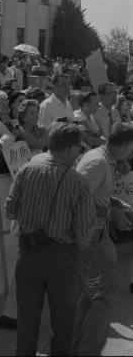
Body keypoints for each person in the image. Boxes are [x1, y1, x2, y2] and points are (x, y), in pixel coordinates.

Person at [5, 122, 96, 356]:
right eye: (80, 147)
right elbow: (84, 234)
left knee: (27, 319)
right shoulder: (78, 182)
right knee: (63, 322)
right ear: (68, 148)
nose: (80, 152)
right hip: (62, 257)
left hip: (28, 250)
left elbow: (11, 210)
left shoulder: (27, 170)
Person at [73, 123, 133, 355]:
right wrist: (112, 212)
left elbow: (93, 196)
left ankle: (75, 347)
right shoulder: (98, 162)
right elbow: (75, 200)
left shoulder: (102, 159)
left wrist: (116, 204)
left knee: (93, 295)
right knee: (105, 294)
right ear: (127, 145)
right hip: (89, 237)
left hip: (95, 235)